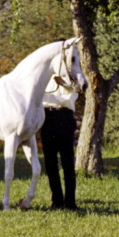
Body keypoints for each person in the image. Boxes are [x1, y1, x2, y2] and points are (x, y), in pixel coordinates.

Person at [40, 74, 79, 210]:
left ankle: (70, 202)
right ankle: (56, 201)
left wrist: (62, 84)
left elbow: (76, 90)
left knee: (68, 162)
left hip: (65, 116)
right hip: (47, 118)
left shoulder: (72, 75)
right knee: (50, 163)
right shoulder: (44, 77)